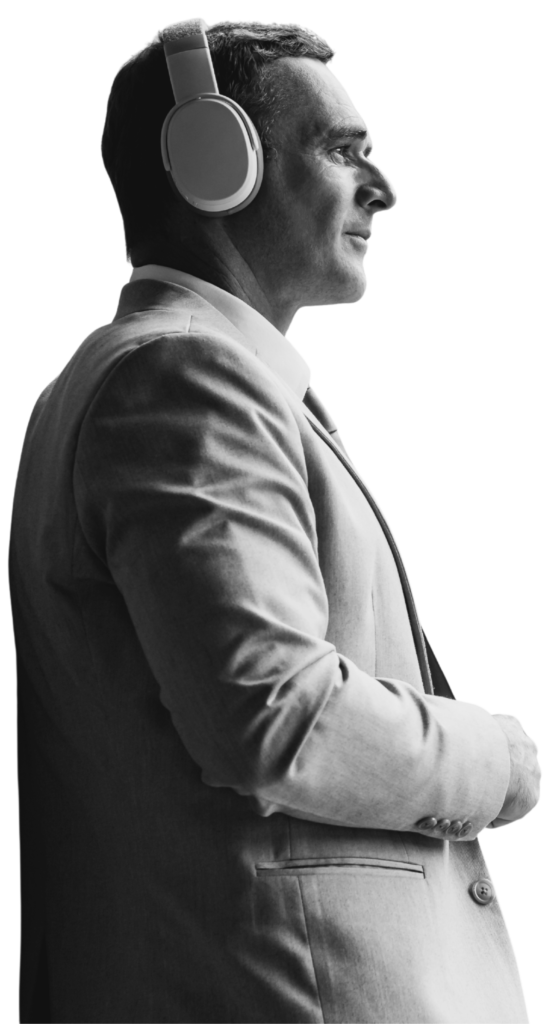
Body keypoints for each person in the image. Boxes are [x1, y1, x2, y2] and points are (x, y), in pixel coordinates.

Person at [11, 17, 541, 1024]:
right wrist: (493, 760)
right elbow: (274, 717)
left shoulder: (135, 378)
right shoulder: (182, 377)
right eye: (342, 150)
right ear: (217, 162)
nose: (384, 188)